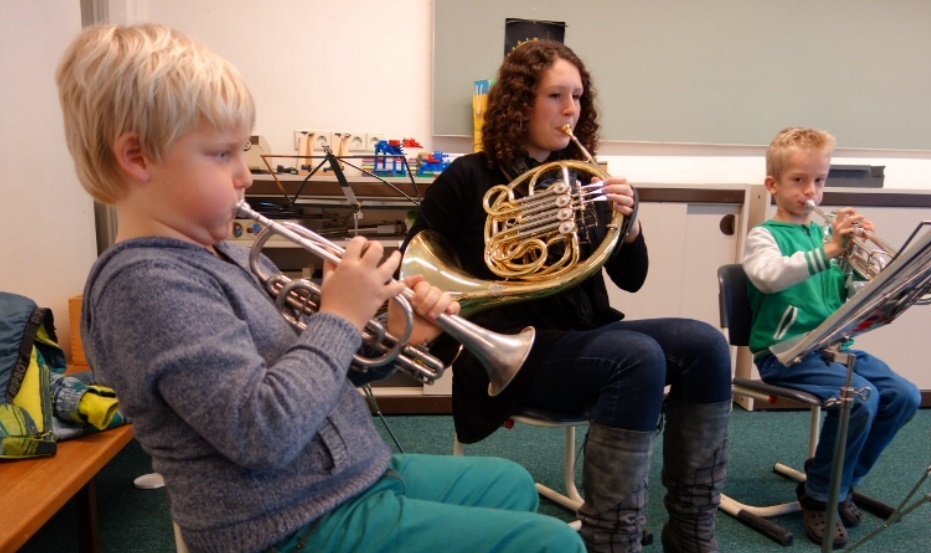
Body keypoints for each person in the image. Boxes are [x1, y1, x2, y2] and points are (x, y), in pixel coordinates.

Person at [55, 24, 585, 553]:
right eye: (222, 155)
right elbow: (262, 432)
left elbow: (316, 373)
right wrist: (341, 317)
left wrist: (397, 334)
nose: (245, 175)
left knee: (510, 484)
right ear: (137, 157)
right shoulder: (144, 286)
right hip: (288, 522)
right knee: (554, 546)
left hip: (350, 476)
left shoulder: (236, 256)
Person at [401, 40, 733, 553]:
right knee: (639, 357)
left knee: (706, 343)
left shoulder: (588, 179)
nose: (571, 109)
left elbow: (632, 279)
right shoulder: (469, 177)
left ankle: (691, 530)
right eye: (556, 95)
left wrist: (632, 225)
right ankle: (611, 538)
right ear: (520, 101)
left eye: (577, 96)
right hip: (511, 350)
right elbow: (415, 266)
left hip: (588, 339)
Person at [743, 127, 921, 547]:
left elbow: (853, 300)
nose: (812, 191)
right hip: (784, 354)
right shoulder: (764, 237)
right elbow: (769, 278)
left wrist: (865, 272)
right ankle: (820, 495)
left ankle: (840, 483)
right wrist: (830, 251)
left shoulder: (829, 240)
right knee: (860, 399)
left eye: (819, 180)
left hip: (832, 352)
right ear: (774, 185)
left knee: (905, 396)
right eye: (799, 180)